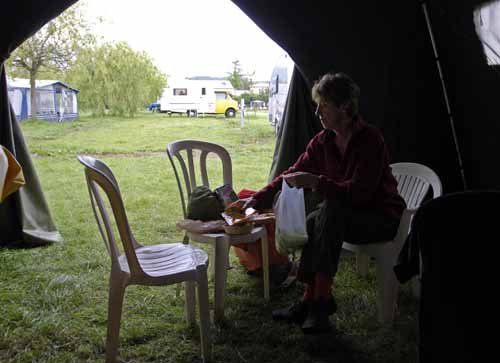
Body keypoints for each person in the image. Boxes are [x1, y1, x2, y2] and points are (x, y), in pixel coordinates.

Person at [230, 72, 406, 334]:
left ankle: (318, 303)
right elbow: (290, 174)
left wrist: (316, 182)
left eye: (324, 105)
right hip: (345, 218)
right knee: (316, 220)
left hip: (380, 218)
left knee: (330, 209)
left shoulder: (370, 140)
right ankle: (312, 301)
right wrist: (257, 198)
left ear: (344, 107)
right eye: (317, 106)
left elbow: (360, 194)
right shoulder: (323, 141)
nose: (318, 112)